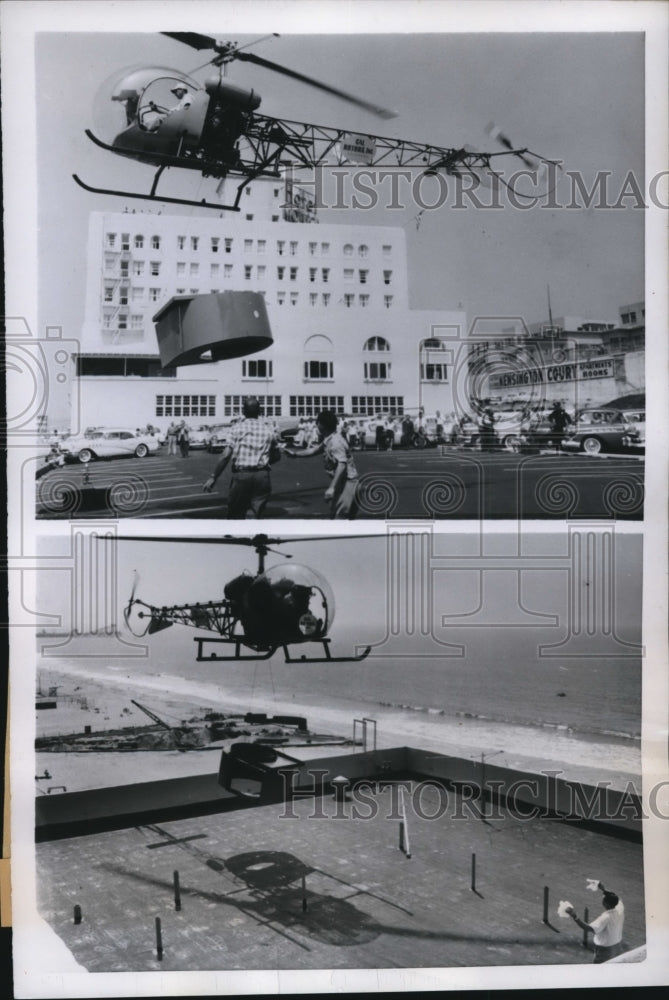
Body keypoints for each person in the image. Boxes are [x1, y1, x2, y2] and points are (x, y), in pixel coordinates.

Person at [202, 397, 281, 519]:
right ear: (259, 412)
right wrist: (262, 460)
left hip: (242, 476)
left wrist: (213, 477)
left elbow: (225, 455)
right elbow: (277, 456)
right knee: (256, 513)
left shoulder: (237, 428)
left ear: (243, 411)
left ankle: (238, 536)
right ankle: (253, 535)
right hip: (262, 476)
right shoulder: (268, 430)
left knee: (235, 513)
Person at [285, 409, 359, 519]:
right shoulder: (329, 439)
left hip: (347, 483)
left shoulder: (335, 442)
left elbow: (342, 465)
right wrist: (295, 454)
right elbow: (314, 450)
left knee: (340, 519)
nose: (316, 425)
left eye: (318, 422)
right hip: (345, 483)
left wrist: (332, 488)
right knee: (341, 517)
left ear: (322, 425)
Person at [566, 882, 625, 963]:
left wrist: (574, 916)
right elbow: (616, 897)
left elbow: (588, 928)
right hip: (617, 946)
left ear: (605, 903)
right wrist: (603, 889)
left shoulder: (605, 918)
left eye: (603, 898)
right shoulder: (620, 908)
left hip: (605, 950)